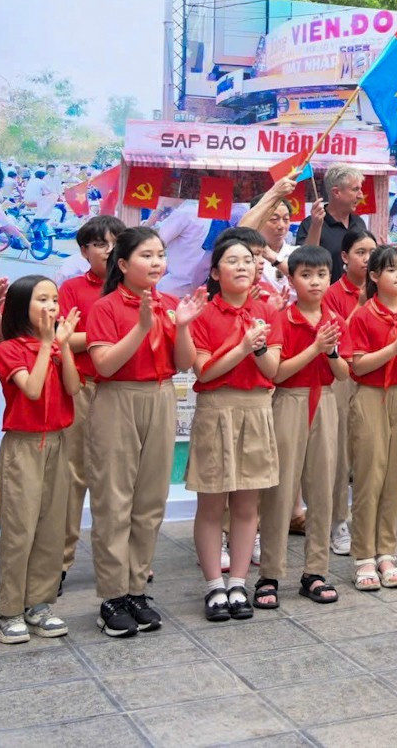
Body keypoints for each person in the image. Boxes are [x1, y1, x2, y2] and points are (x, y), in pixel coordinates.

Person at [179, 230, 279, 623]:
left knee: (247, 504)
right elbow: (203, 370)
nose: (243, 266)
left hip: (257, 408)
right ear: (216, 272)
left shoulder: (268, 311)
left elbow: (272, 370)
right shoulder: (203, 312)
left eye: (249, 261)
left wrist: (256, 347)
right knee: (211, 504)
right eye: (232, 261)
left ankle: (238, 582)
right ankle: (213, 586)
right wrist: (242, 346)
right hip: (215, 408)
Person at [86, 227, 178, 638]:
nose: (156, 262)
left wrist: (187, 326)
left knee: (151, 499)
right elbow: (104, 366)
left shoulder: (171, 304)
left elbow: (187, 361)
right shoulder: (104, 308)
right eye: (146, 255)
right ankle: (112, 595)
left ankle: (137, 588)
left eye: (160, 254)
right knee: (114, 500)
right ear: (122, 265)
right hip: (117, 398)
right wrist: (140, 327)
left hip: (161, 396)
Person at [258, 244, 350, 607]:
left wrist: (330, 352)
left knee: (323, 486)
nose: (314, 282)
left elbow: (343, 373)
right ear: (291, 278)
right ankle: (269, 573)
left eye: (322, 275)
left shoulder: (336, 321)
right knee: (280, 489)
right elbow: (278, 373)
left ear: (331, 277)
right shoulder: (283, 318)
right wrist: (315, 348)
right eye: (306, 275)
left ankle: (315, 571)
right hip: (290, 401)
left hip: (325, 400)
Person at [0, 276, 79, 643]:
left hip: (58, 442)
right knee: (20, 531)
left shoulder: (56, 346)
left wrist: (64, 347)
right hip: (23, 447)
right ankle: (10, 610)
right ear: (21, 306)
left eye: (55, 299)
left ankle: (39, 604)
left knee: (51, 528)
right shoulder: (9, 348)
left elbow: (73, 388)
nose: (52, 306)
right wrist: (47, 347)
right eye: (42, 299)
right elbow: (31, 389)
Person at [344, 245, 397, 589]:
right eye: (392, 270)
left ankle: (387, 552)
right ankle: (364, 555)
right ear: (375, 277)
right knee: (369, 475)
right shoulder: (364, 316)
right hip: (371, 395)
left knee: (395, 477)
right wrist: (392, 349)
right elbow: (358, 366)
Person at [58, 213, 124, 585]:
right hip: (83, 387)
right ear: (84, 251)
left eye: (116, 242)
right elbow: (61, 337)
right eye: (100, 243)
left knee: (118, 478)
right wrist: (107, 337)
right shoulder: (71, 289)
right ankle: (62, 560)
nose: (109, 250)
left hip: (120, 390)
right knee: (74, 474)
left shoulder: (135, 289)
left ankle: (119, 561)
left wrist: (95, 336)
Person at [320, 227, 375, 555]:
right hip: (342, 377)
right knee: (339, 452)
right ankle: (337, 520)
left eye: (372, 252)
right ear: (344, 257)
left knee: (367, 450)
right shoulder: (330, 293)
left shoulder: (383, 290)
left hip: (372, 377)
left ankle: (366, 519)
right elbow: (337, 338)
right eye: (361, 252)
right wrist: (361, 304)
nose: (368, 259)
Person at [297, 165, 373, 281]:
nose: (361, 195)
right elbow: (305, 262)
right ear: (336, 192)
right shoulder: (310, 224)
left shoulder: (359, 223)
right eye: (355, 189)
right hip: (325, 296)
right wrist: (316, 226)